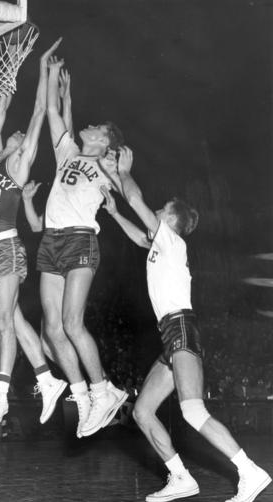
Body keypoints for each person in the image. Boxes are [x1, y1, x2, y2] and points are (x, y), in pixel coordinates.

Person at [101, 146, 271, 502]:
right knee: (144, 411)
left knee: (193, 410)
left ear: (171, 221)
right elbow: (137, 235)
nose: (156, 213)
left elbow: (136, 197)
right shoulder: (162, 246)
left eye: (161, 211)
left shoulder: (173, 241)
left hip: (180, 328)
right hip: (170, 333)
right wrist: (115, 213)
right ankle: (180, 477)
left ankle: (250, 471)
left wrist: (123, 172)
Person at [0, 39, 67, 429]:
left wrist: (43, 70)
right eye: (10, 135)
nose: (14, 134)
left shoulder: (21, 163)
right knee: (14, 320)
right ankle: (47, 379)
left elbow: (40, 111)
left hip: (5, 247)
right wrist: (6, 74)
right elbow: (2, 105)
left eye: (19, 136)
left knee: (0, 319)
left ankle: (0, 395)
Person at [34, 53, 128, 439]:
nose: (89, 126)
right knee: (52, 330)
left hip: (79, 239)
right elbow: (53, 114)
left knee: (73, 323)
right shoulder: (67, 152)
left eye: (98, 128)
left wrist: (120, 177)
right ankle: (82, 395)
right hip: (51, 240)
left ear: (106, 141)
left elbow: (126, 192)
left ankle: (104, 390)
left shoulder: (107, 166)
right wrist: (52, 73)